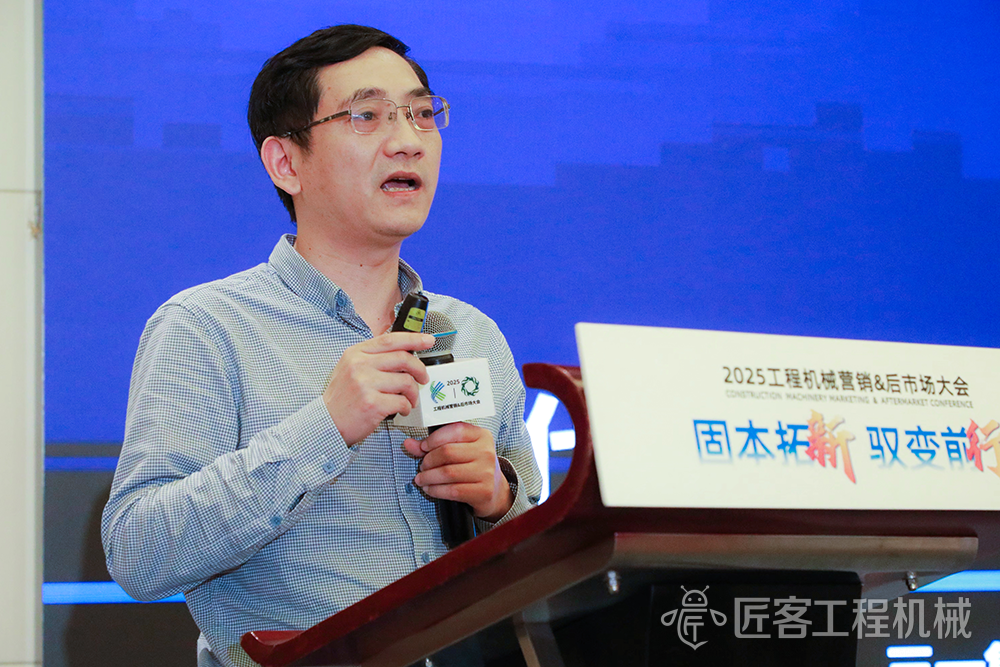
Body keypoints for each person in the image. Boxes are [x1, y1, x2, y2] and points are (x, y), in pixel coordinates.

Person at [101, 24, 542, 667]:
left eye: (422, 114)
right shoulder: (206, 327)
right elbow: (139, 554)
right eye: (367, 116)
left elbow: (542, 563)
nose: (408, 141)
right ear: (286, 163)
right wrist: (324, 428)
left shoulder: (471, 332)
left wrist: (498, 501)